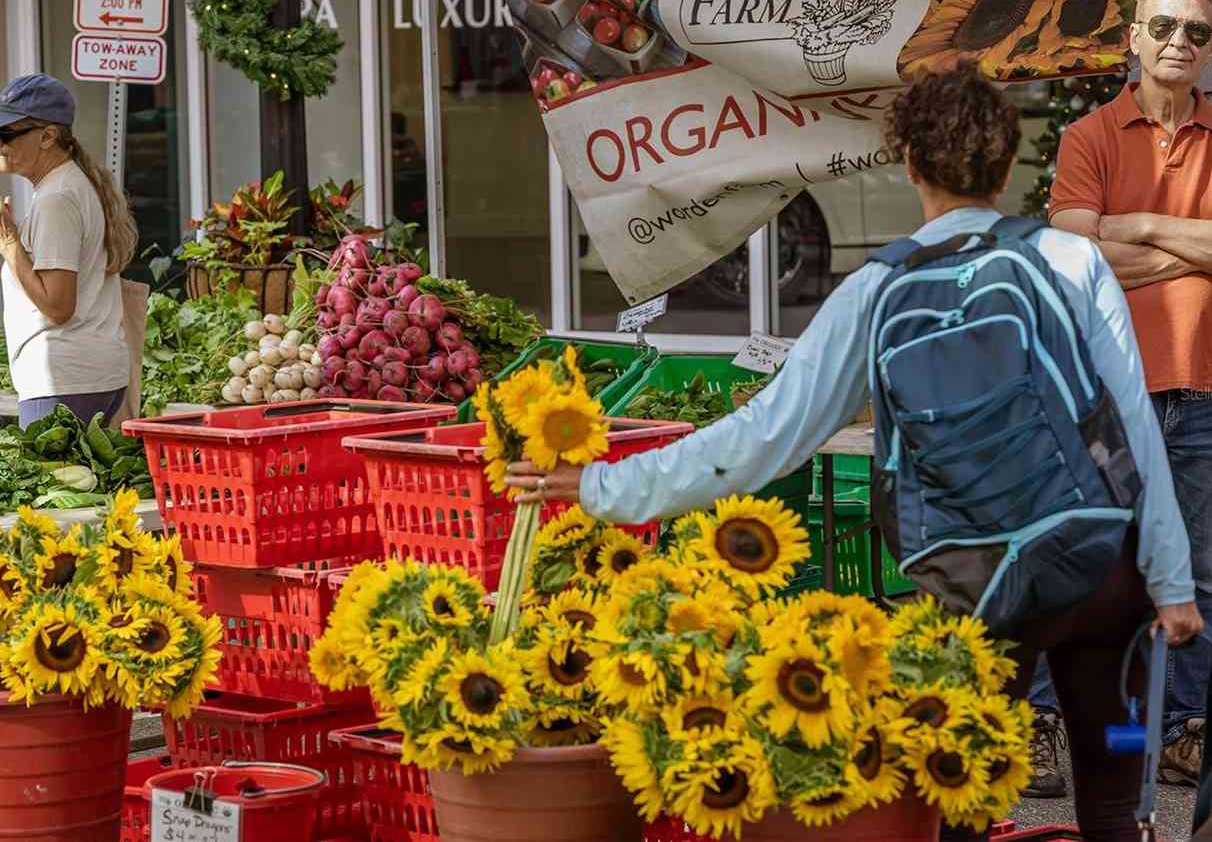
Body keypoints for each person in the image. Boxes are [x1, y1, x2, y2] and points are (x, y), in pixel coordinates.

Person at [506, 68, 1201, 841]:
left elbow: (758, 439)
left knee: (966, 797)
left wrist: (599, 484)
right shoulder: (1072, 263)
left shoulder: (875, 289)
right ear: (1007, 165)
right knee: (1114, 783)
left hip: (973, 590)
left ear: (907, 164)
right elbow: (1134, 423)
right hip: (1102, 572)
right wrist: (1170, 582)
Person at [1050, 0, 1212, 787]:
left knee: (1204, 571)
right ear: (1133, 40)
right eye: (1166, 28)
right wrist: (1190, 241)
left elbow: (1103, 245)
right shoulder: (1088, 138)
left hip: (1205, 390)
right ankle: (1051, 724)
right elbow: (1075, 258)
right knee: (1086, 560)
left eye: (1197, 32)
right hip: (1110, 390)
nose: (1180, 43)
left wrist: (1135, 227)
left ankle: (1186, 729)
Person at [0, 73, 135, 429]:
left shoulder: (56, 198)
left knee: (51, 486)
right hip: (85, 377)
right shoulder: (69, 185)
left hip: (63, 382)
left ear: (48, 137)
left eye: (6, 133)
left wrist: (8, 242)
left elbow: (59, 306)